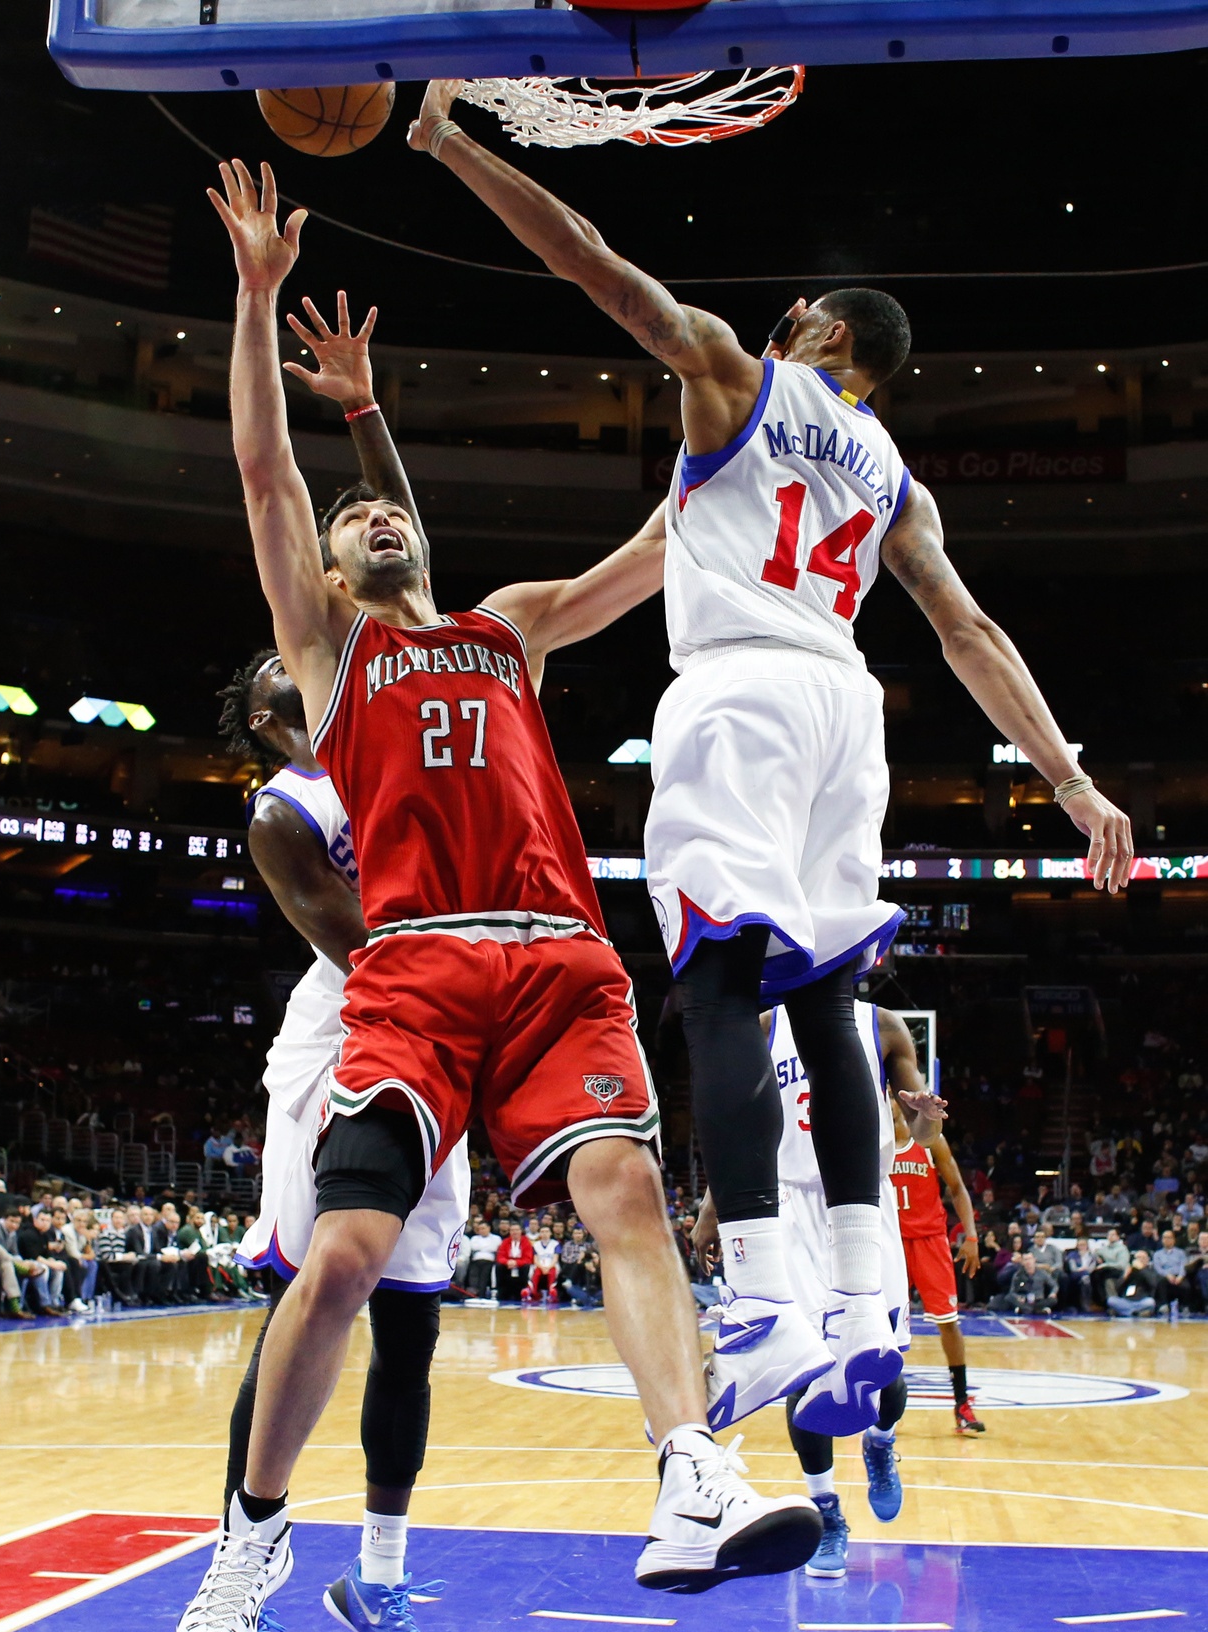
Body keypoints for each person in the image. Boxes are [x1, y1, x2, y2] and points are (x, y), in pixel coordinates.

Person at [175, 162, 822, 1632]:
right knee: (341, 1257)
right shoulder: (329, 661)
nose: (371, 517)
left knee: (625, 1196)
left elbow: (661, 546)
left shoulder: (509, 623)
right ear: (331, 573)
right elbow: (265, 474)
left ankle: (689, 1468)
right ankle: (249, 1542)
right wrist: (257, 297)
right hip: (414, 968)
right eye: (353, 519)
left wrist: (764, 404)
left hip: (556, 956)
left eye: (386, 506)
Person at [407, 79, 1134, 1441]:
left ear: (816, 329)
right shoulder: (892, 474)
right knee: (828, 1000)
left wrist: (451, 146)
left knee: (719, 993)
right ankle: (859, 1311)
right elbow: (967, 632)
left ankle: (757, 1302)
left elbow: (591, 263)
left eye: (793, 311)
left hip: (739, 697)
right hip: (844, 712)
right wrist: (1070, 781)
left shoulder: (739, 377)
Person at [214, 629, 474, 1632]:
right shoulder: (285, 809)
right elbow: (365, 944)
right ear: (269, 720)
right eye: (287, 674)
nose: (311, 667)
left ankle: (379, 1576)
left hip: (443, 1024)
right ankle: (242, 1602)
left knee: (411, 1322)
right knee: (300, 1306)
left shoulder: (403, 747)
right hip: (350, 1030)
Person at [694, 1000, 931, 1577]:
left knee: (882, 1369)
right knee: (807, 1371)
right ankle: (827, 1512)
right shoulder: (766, 1026)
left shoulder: (883, 1025)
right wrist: (711, 1207)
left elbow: (923, 1135)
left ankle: (880, 1442)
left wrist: (926, 1117)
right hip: (790, 1209)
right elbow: (740, 1128)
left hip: (864, 1205)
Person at [890, 1100, 986, 1435]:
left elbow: (957, 1187)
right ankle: (878, 1404)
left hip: (930, 1240)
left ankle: (962, 1404)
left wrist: (970, 1236)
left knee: (948, 1323)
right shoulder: (873, 1140)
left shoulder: (930, 1140)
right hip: (890, 1242)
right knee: (882, 1326)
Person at [992, 1253, 1057, 1316]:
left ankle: (1026, 1309)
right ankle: (1037, 1310)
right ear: (1023, 1262)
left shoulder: (1042, 1273)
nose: (1028, 1262)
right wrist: (1018, 1297)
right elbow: (1012, 1292)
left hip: (1038, 1300)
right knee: (1008, 1297)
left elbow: (1054, 1285)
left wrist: (1053, 1292)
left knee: (1053, 1300)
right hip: (1024, 1300)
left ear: (1034, 1260)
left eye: (1030, 1259)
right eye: (1026, 1260)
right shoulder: (1018, 1275)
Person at [1107, 1251, 1159, 1318]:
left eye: (1143, 1258)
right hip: (1126, 1301)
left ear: (1147, 1259)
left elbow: (1153, 1283)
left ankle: (1124, 1312)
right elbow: (1118, 1288)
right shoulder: (1130, 1270)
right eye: (1138, 1258)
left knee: (1151, 1302)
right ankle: (1134, 1312)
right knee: (1111, 1300)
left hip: (1141, 1301)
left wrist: (1142, 1269)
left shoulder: (1150, 1270)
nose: (1140, 1260)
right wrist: (1125, 1276)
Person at [494, 1221, 533, 1304]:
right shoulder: (505, 1242)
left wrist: (516, 1263)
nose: (515, 1232)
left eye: (517, 1230)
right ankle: (501, 1292)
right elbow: (500, 1256)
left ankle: (523, 1292)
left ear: (521, 1231)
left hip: (521, 1264)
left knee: (526, 1267)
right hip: (507, 1264)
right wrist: (507, 1262)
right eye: (512, 1230)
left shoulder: (526, 1242)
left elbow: (528, 1258)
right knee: (499, 1266)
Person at [1152, 1230, 1189, 1314]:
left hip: (1178, 1275)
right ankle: (1163, 1305)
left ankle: (1184, 1306)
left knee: (1186, 1285)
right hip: (1165, 1276)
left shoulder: (1181, 1253)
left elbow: (1183, 1266)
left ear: (1173, 1240)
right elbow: (1158, 1268)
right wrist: (1167, 1275)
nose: (1167, 1240)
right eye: (1164, 1238)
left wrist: (1180, 1276)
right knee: (1161, 1282)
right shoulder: (1157, 1254)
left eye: (1169, 1238)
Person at [1059, 1235, 1097, 1312]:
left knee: (1086, 1278)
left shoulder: (1092, 1256)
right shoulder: (1072, 1255)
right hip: (1075, 1275)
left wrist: (1086, 1271)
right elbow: (1073, 1269)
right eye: (1079, 1245)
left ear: (1087, 1245)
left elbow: (1092, 1268)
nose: (1081, 1247)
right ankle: (1085, 1304)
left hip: (1088, 1274)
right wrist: (1083, 1270)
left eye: (1083, 1245)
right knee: (1085, 1278)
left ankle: (1086, 1303)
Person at [526, 1223, 560, 1304]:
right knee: (536, 1273)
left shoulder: (555, 1244)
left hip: (552, 1265)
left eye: (547, 1231)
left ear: (550, 1233)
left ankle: (552, 1293)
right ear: (539, 1233)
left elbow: (555, 1259)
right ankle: (532, 1292)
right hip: (539, 1265)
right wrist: (541, 1267)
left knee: (552, 1272)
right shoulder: (536, 1245)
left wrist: (548, 1268)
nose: (544, 1234)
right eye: (542, 1232)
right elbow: (535, 1260)